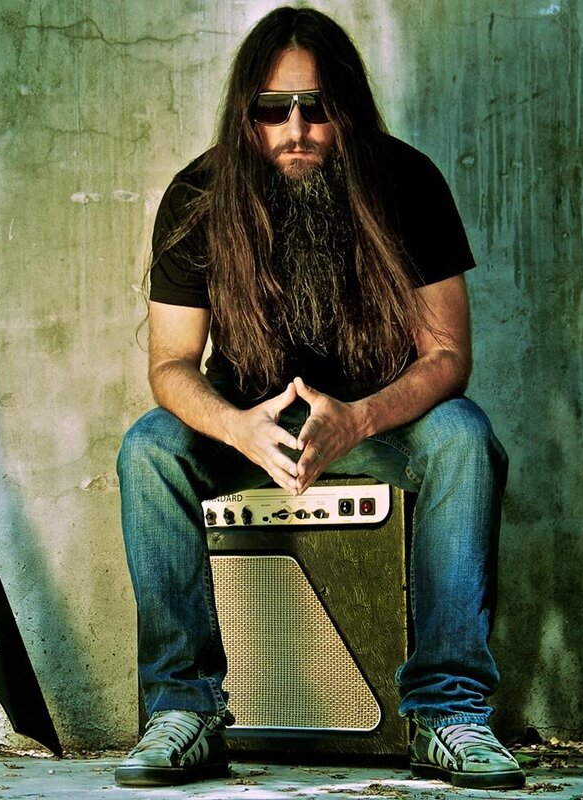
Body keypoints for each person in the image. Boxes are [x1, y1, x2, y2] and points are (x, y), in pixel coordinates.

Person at [115, 6, 523, 791]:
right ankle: (184, 707)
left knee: (464, 437)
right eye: (274, 109)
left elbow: (448, 356)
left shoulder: (408, 183)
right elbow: (170, 365)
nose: (296, 127)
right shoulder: (199, 196)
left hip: (374, 419)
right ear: (247, 115)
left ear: (348, 109)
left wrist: (361, 416)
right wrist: (236, 428)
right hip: (250, 425)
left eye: (318, 107)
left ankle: (448, 714)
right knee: (148, 449)